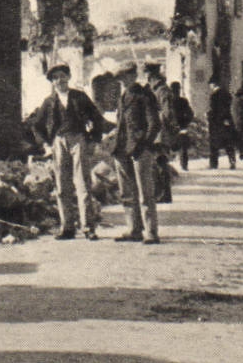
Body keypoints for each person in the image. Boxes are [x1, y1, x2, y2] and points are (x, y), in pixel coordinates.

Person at [29, 63, 106, 240]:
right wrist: (46, 144)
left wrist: (93, 140)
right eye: (55, 78)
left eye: (62, 76)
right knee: (62, 186)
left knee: (83, 184)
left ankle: (88, 227)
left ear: (69, 77)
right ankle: (67, 227)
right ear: (52, 82)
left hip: (78, 139)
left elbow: (97, 118)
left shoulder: (79, 97)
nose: (59, 80)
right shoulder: (49, 102)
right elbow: (36, 125)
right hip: (58, 142)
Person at [111, 61, 161, 244]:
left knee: (145, 193)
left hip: (139, 150)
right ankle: (134, 229)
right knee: (127, 192)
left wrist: (144, 144)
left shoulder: (144, 95)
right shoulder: (123, 96)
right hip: (122, 149)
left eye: (126, 76)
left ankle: (151, 232)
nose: (123, 81)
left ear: (133, 76)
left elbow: (154, 124)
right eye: (120, 78)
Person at [146, 65, 176, 204]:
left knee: (160, 162)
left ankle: (164, 194)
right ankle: (161, 193)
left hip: (160, 131)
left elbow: (167, 112)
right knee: (158, 163)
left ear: (153, 76)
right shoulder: (156, 89)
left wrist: (162, 125)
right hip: (157, 130)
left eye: (149, 76)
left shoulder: (162, 90)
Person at [207, 78, 238, 169]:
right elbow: (227, 107)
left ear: (213, 84)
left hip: (217, 122)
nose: (210, 87)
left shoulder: (214, 95)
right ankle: (232, 161)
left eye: (210, 85)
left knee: (214, 143)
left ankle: (213, 164)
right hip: (227, 120)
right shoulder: (226, 93)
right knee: (228, 142)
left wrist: (209, 115)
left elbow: (214, 109)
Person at [170, 81, 195, 170]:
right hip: (181, 126)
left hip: (172, 126)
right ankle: (184, 165)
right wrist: (186, 123)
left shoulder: (169, 101)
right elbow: (190, 114)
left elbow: (190, 113)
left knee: (179, 145)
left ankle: (182, 165)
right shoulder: (183, 101)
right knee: (182, 146)